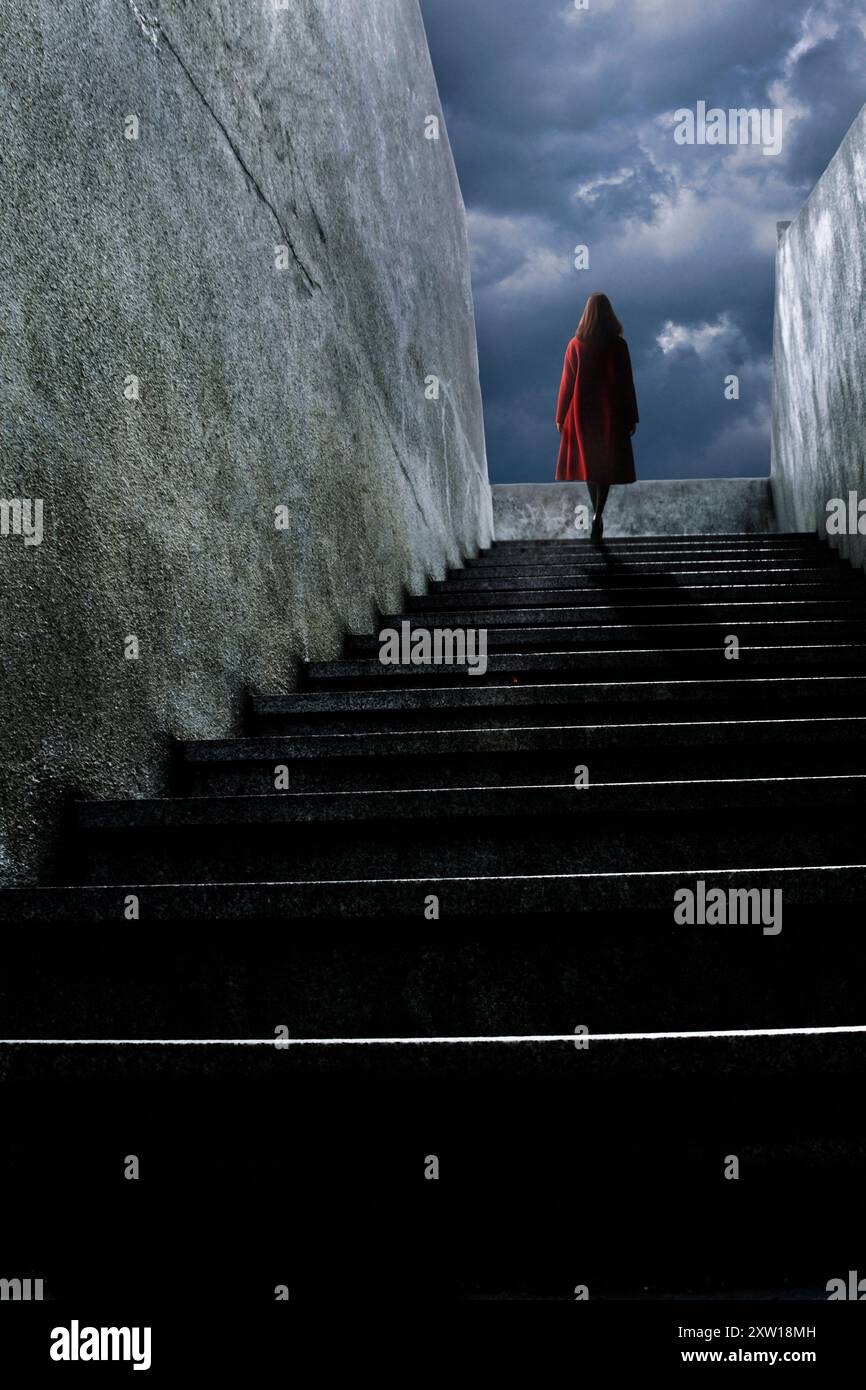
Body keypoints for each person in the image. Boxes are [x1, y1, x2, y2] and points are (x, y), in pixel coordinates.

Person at [555, 292, 639, 542]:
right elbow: (627, 383)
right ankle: (598, 514)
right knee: (606, 464)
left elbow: (566, 384)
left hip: (581, 413)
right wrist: (632, 416)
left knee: (590, 465)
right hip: (610, 412)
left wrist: (560, 415)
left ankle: (595, 514)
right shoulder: (619, 345)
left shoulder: (576, 344)